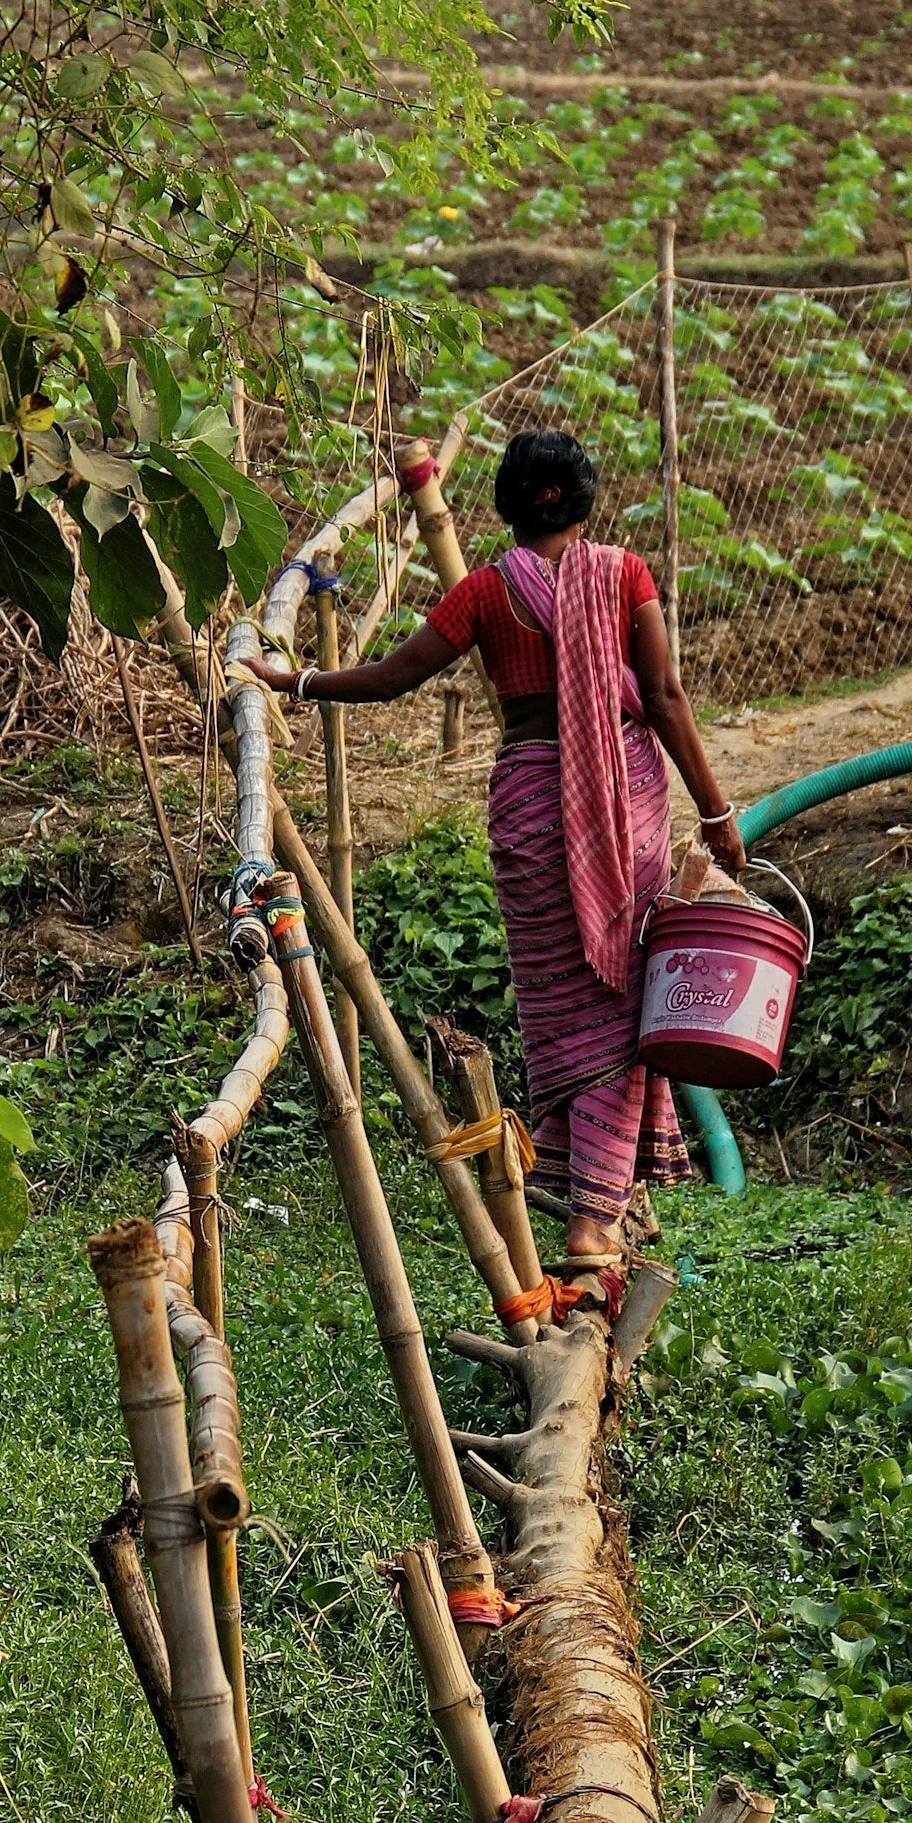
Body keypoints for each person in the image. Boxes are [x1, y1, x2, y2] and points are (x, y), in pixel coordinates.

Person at [257, 427, 748, 1282]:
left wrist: (294, 680)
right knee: (625, 1000)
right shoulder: (624, 574)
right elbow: (664, 695)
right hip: (624, 807)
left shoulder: (487, 591)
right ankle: (596, 1219)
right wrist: (716, 811)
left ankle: (592, 1198)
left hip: (530, 808)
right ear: (584, 496)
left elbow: (390, 677)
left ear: (509, 505)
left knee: (565, 1005)